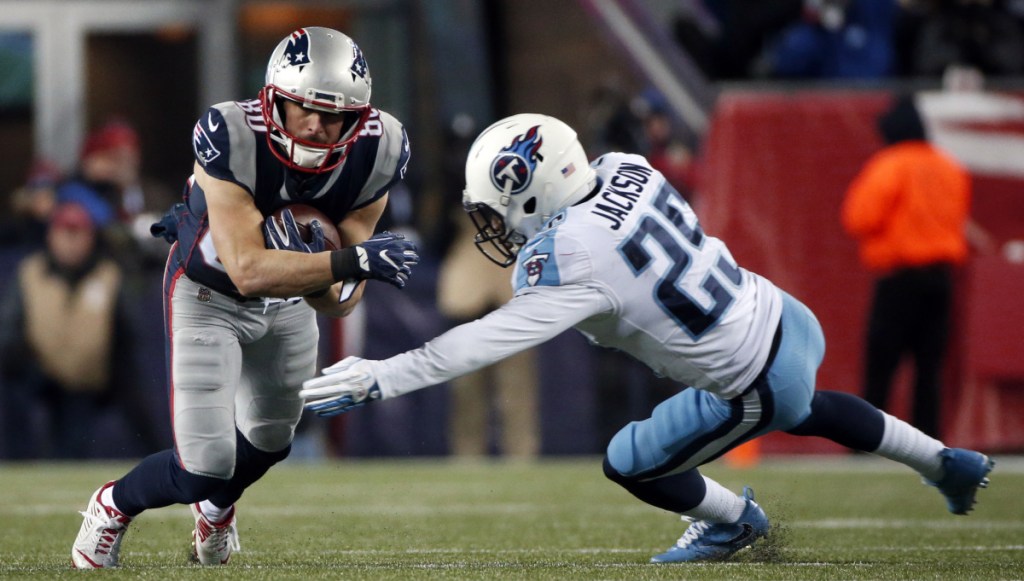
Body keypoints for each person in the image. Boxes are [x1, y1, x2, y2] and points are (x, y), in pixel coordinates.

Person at [300, 113, 994, 563]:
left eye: (502, 208)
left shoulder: (566, 258)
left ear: (535, 192)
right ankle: (945, 461)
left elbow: (483, 341)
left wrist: (384, 374)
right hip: (785, 313)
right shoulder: (629, 165)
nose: (500, 224)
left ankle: (733, 521)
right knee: (812, 405)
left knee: (631, 461)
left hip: (749, 375)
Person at [71, 27, 419, 569]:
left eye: (334, 116)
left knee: (271, 440)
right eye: (301, 108)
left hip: (291, 301)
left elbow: (340, 303)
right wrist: (349, 262)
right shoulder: (230, 131)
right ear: (271, 97)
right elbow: (248, 269)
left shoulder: (382, 147)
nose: (316, 126)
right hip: (208, 292)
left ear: (361, 118)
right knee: (202, 466)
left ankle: (216, 509)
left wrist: (340, 272)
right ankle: (113, 504)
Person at [841, 94, 986, 439]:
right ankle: (928, 440)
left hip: (899, 276)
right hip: (941, 278)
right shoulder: (949, 166)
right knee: (929, 366)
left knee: (882, 363)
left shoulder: (890, 164)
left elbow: (859, 218)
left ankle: (868, 438)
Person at [0, 202, 163, 459]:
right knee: (11, 389)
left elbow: (126, 336)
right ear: (51, 235)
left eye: (78, 234)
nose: (71, 242)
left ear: (90, 237)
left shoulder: (109, 274)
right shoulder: (31, 272)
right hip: (39, 375)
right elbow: (10, 332)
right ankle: (13, 463)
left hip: (91, 379)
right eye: (65, 233)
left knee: (124, 406)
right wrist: (30, 365)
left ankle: (162, 462)